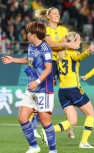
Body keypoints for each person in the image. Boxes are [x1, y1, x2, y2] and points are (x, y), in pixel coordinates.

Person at [1, 21, 57, 153]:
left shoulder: (45, 49)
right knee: (22, 118)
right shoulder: (31, 46)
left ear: (35, 34)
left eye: (29, 33)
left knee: (44, 121)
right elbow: (29, 60)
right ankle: (34, 146)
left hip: (44, 90)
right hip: (31, 88)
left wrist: (37, 81)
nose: (27, 34)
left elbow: (48, 69)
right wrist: (13, 60)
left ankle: (53, 150)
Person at [43, 31, 94, 149]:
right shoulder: (72, 53)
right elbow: (80, 57)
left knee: (72, 121)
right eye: (78, 40)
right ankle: (84, 142)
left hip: (62, 91)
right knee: (91, 114)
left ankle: (47, 132)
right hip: (73, 89)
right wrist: (88, 51)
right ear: (72, 42)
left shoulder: (59, 54)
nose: (80, 42)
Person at [34, 7, 79, 138]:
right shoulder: (45, 30)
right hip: (50, 62)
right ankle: (34, 123)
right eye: (54, 13)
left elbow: (70, 41)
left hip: (63, 62)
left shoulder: (63, 30)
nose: (57, 15)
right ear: (48, 16)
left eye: (58, 13)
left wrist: (73, 44)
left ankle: (69, 125)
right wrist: (67, 45)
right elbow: (51, 45)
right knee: (44, 92)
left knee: (69, 90)